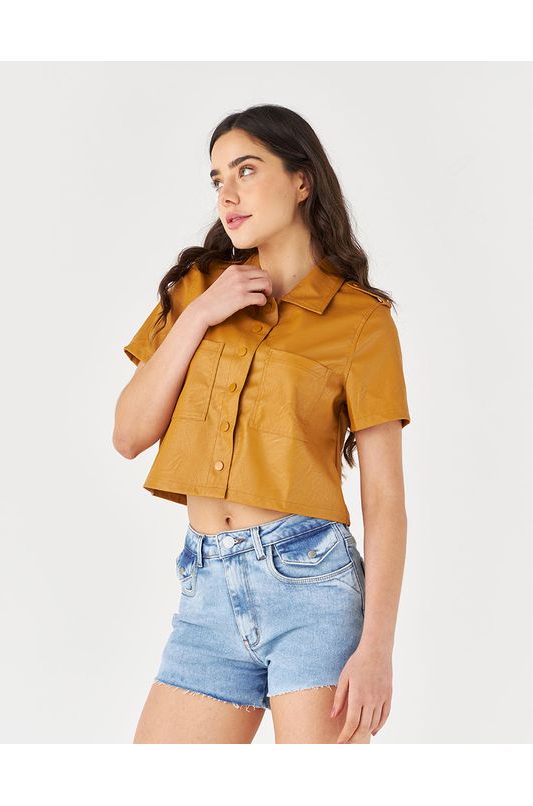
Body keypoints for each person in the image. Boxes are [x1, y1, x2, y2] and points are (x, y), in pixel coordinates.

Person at [113, 104, 411, 744]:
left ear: (302, 180)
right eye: (218, 178)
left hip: (310, 588)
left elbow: (385, 499)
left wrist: (377, 649)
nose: (228, 193)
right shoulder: (197, 288)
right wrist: (200, 315)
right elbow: (128, 435)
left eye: (246, 170)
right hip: (204, 592)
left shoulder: (362, 320)